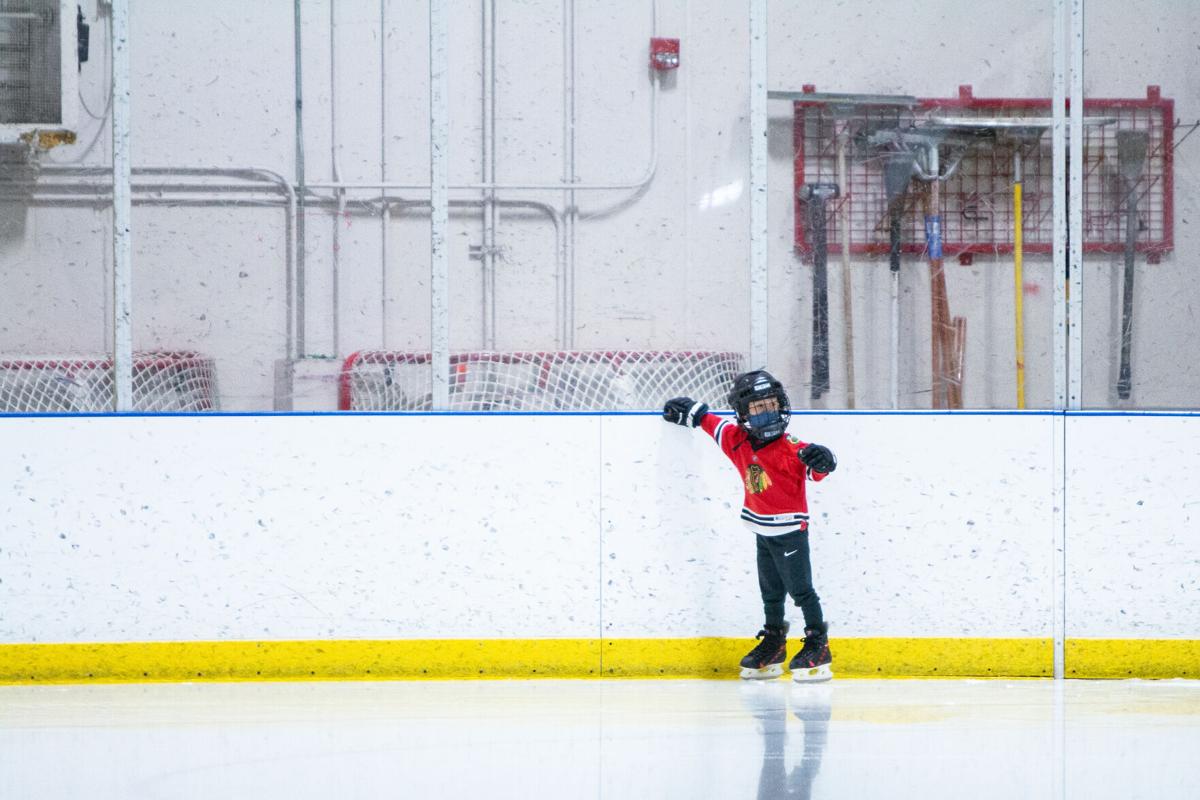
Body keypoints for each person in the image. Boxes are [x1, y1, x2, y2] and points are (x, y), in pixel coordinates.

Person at [663, 370, 837, 682]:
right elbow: (710, 423)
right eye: (757, 407)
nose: (767, 411)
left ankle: (818, 645)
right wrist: (689, 411)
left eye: (771, 403)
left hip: (790, 532)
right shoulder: (736, 441)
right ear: (744, 414)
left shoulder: (791, 446)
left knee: (801, 590)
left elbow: (816, 469)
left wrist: (824, 460)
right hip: (762, 532)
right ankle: (774, 644)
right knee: (770, 593)